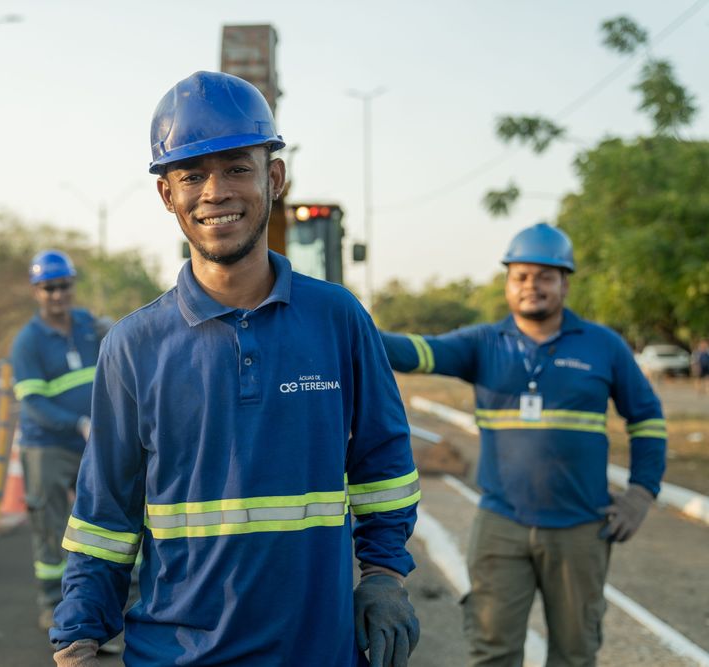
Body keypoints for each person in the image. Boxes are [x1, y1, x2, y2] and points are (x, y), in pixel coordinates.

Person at [49, 70, 421, 667]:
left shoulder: (338, 319)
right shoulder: (133, 345)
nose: (215, 191)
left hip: (318, 652)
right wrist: (78, 637)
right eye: (191, 174)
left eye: (237, 169)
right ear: (167, 195)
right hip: (172, 655)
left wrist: (384, 573)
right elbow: (104, 517)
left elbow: (384, 464)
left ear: (274, 177)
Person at [380, 223, 667, 667]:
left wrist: (642, 493)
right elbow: (415, 350)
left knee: (575, 654)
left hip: (580, 529)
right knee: (493, 651)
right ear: (508, 283)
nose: (532, 285)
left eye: (545, 275)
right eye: (521, 276)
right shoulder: (483, 344)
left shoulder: (602, 346)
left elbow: (647, 419)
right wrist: (347, 322)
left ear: (565, 282)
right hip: (502, 525)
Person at [9, 250, 102, 631]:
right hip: (46, 445)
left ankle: (113, 600)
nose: (57, 295)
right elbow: (32, 403)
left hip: (92, 443)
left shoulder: (89, 326)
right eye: (49, 288)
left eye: (63, 286)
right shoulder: (27, 342)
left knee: (103, 520)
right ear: (36, 291)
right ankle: (53, 604)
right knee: (51, 529)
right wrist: (78, 422)